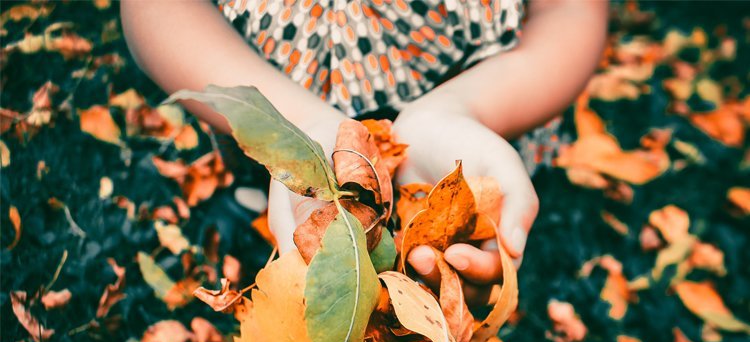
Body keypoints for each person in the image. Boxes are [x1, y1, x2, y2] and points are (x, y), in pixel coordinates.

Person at [121, 0, 608, 299]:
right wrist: (297, 129)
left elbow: (568, 8)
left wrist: (467, 109)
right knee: (286, 188)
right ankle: (260, 193)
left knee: (453, 222)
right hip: (272, 82)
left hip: (480, 91)